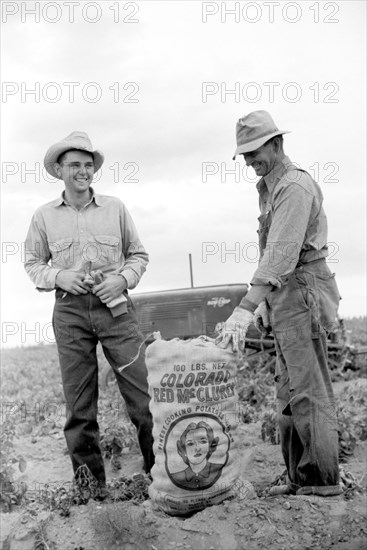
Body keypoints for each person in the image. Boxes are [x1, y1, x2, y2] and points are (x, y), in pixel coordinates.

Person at [216, 111, 342, 497]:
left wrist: (245, 306)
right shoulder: (269, 187)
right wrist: (265, 305)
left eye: (256, 152)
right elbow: (271, 254)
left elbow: (282, 255)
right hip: (285, 293)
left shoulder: (294, 187)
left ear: (277, 143)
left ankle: (322, 482)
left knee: (309, 389)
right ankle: (299, 478)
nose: (251, 161)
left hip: (302, 289)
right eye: (245, 156)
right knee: (288, 391)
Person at [24, 131, 154, 497]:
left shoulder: (115, 208)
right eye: (74, 165)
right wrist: (59, 275)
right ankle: (90, 490)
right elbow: (32, 263)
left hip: (115, 308)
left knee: (144, 399)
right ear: (60, 170)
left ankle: (162, 479)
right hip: (69, 312)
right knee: (79, 406)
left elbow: (138, 255)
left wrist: (122, 280)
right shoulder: (44, 216)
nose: (83, 172)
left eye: (87, 165)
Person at [170, 421, 223, 490]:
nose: (197, 448)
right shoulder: (175, 477)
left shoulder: (221, 469)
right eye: (190, 444)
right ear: (183, 449)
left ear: (210, 446)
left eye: (203, 442)